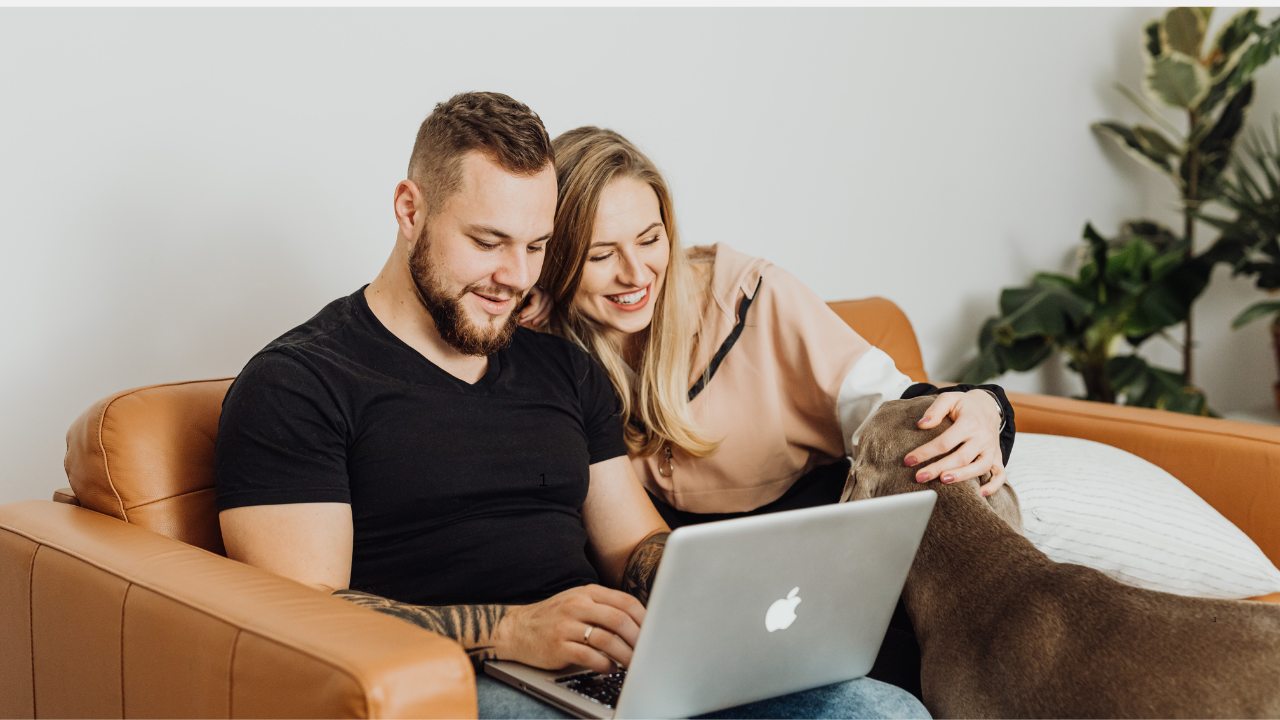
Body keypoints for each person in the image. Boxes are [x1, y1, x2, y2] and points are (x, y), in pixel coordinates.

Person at [214, 92, 928, 719]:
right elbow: (301, 616)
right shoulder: (299, 385)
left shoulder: (563, 368)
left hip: (607, 671)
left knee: (882, 711)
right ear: (410, 210)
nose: (514, 277)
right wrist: (511, 631)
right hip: (459, 681)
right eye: (487, 242)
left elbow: (631, 546)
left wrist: (734, 590)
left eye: (536, 248)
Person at [521, 126, 1016, 698]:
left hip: (836, 590)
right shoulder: (546, 353)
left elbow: (894, 410)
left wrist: (987, 406)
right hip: (708, 630)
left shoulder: (751, 298)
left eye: (651, 238)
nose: (635, 274)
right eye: (600, 254)